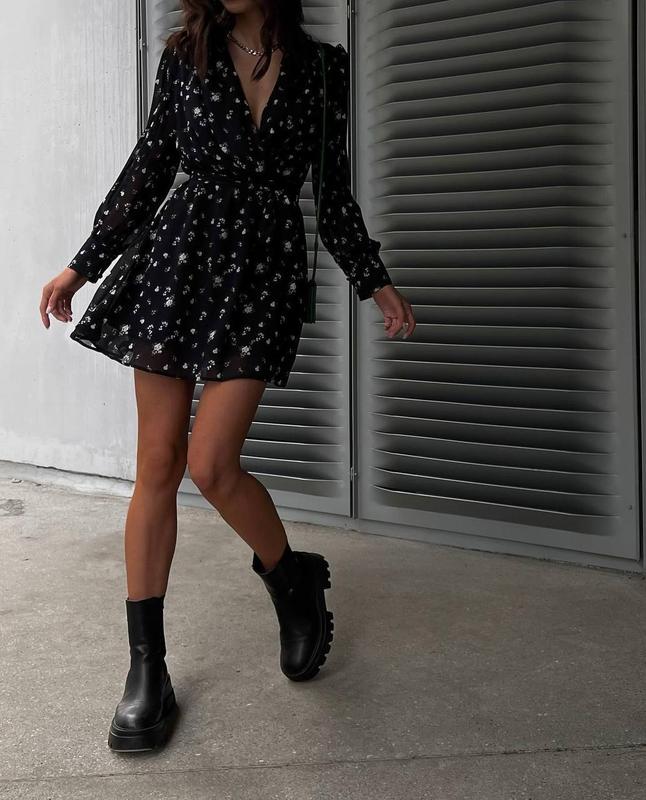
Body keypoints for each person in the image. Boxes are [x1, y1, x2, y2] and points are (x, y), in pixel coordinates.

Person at [39, 0, 416, 752]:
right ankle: (147, 669)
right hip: (177, 261)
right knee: (158, 462)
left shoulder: (322, 70)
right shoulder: (185, 55)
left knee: (213, 464)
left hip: (262, 273)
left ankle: (291, 578)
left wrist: (373, 279)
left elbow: (331, 189)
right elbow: (151, 165)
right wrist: (83, 264)